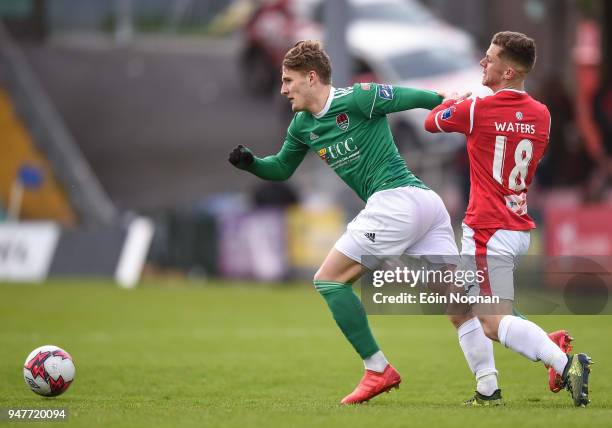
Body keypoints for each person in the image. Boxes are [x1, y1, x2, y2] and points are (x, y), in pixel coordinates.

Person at [229, 40, 460, 404]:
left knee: (329, 280)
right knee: (459, 299)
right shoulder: (302, 126)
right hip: (416, 204)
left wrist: (455, 107)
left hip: (394, 202)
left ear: (311, 77)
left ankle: (378, 369)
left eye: (288, 80)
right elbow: (282, 168)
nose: (283, 89)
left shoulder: (357, 99)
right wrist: (252, 163)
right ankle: (547, 351)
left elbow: (415, 97)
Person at [425, 31, 592, 407]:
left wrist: (461, 101)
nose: (484, 62)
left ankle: (564, 362)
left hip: (487, 228)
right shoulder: (542, 114)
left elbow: (431, 123)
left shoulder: (478, 109)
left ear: (508, 71)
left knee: (492, 321)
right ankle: (487, 391)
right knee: (459, 308)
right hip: (516, 224)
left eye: (490, 58)